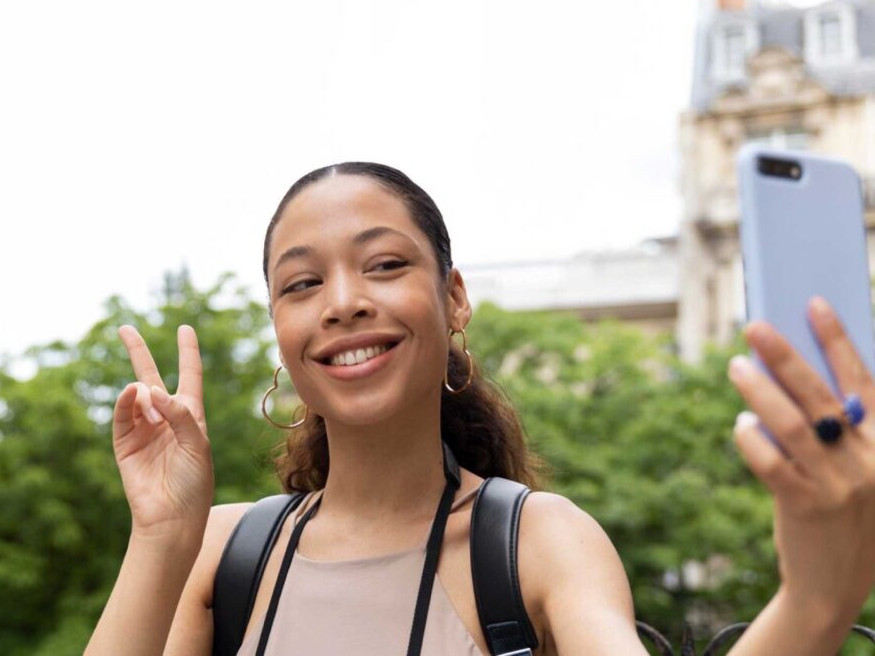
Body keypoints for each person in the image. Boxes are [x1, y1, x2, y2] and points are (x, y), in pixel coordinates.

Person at [86, 162, 875, 656]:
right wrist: (159, 536)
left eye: (385, 264)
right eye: (302, 283)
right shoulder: (221, 552)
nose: (345, 302)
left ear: (453, 297)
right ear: (281, 330)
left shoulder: (540, 540)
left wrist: (817, 597)